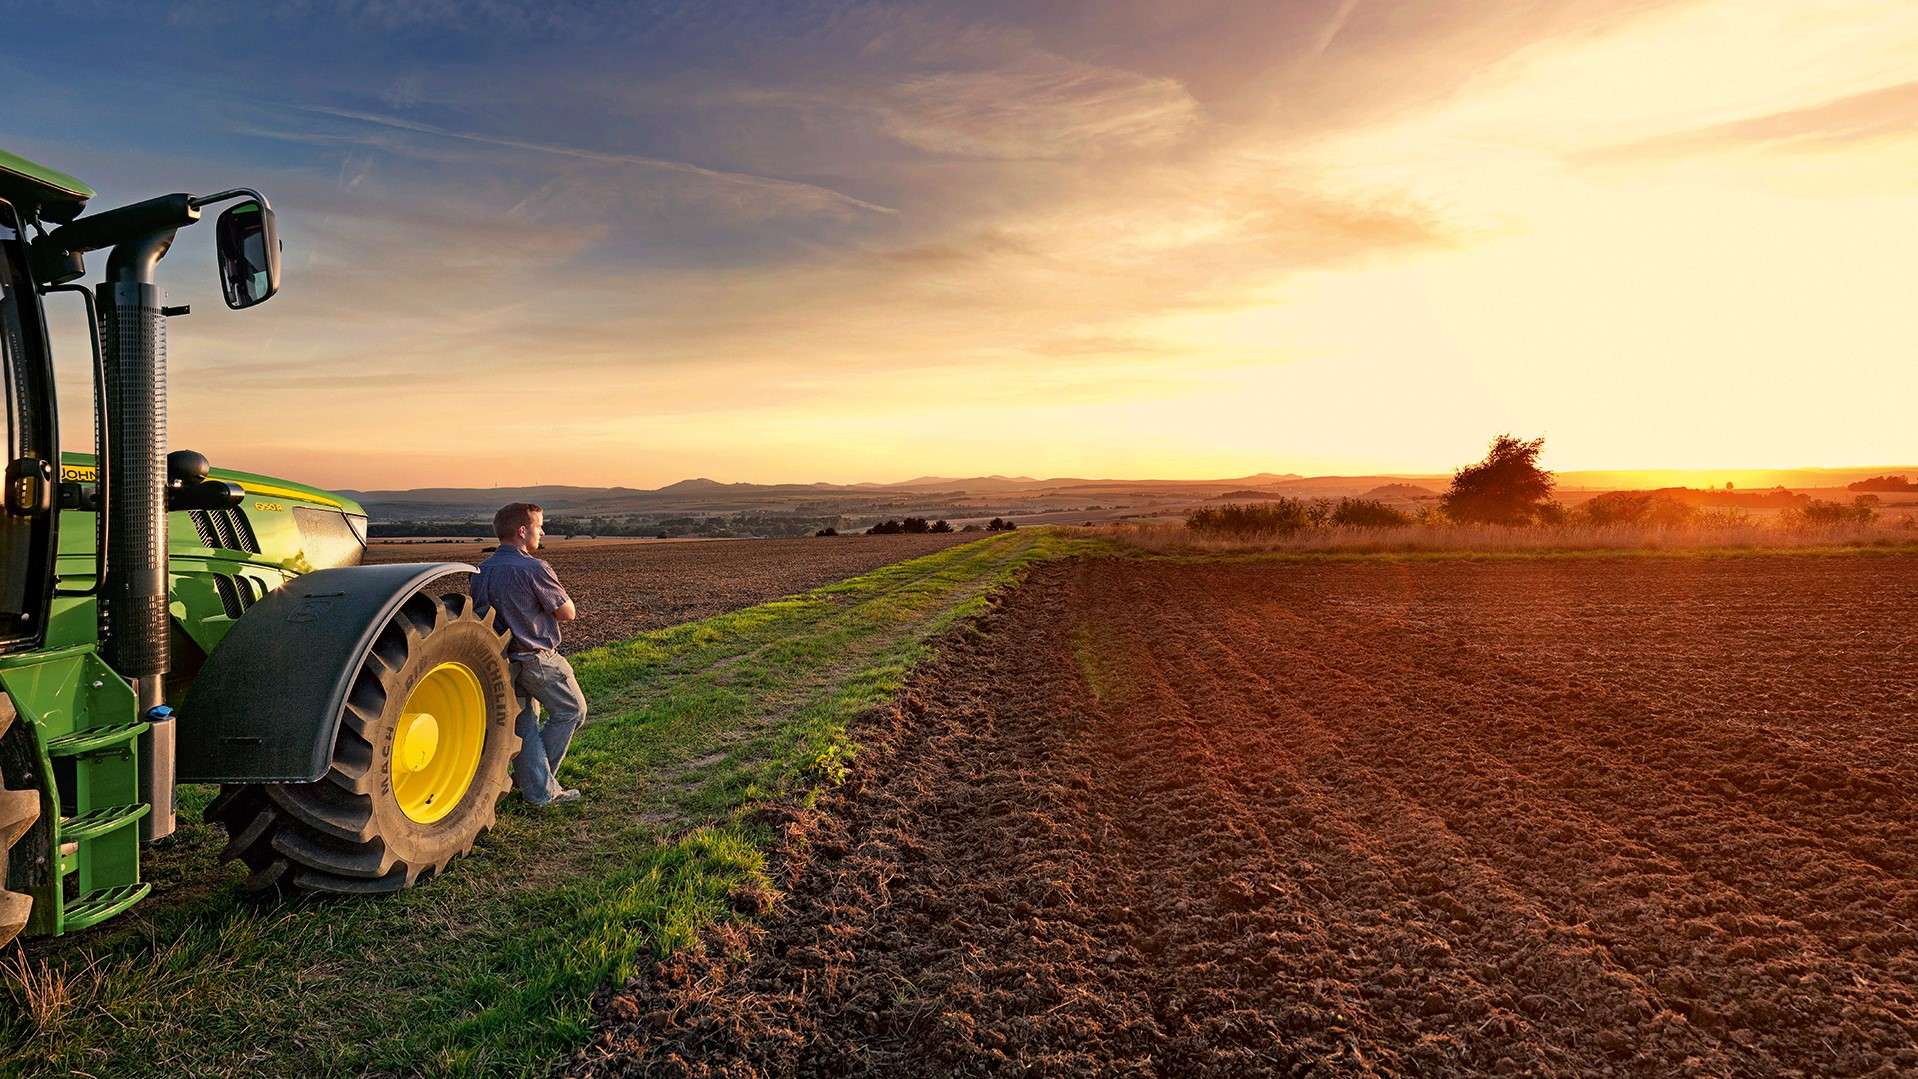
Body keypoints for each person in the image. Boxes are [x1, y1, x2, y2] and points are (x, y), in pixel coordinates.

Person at [471, 502, 587, 806]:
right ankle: (539, 786)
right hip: (538, 659)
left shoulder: (480, 571)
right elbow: (566, 613)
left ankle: (536, 786)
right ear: (522, 531)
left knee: (525, 726)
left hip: (502, 662)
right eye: (539, 525)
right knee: (572, 711)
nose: (543, 531)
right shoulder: (535, 568)